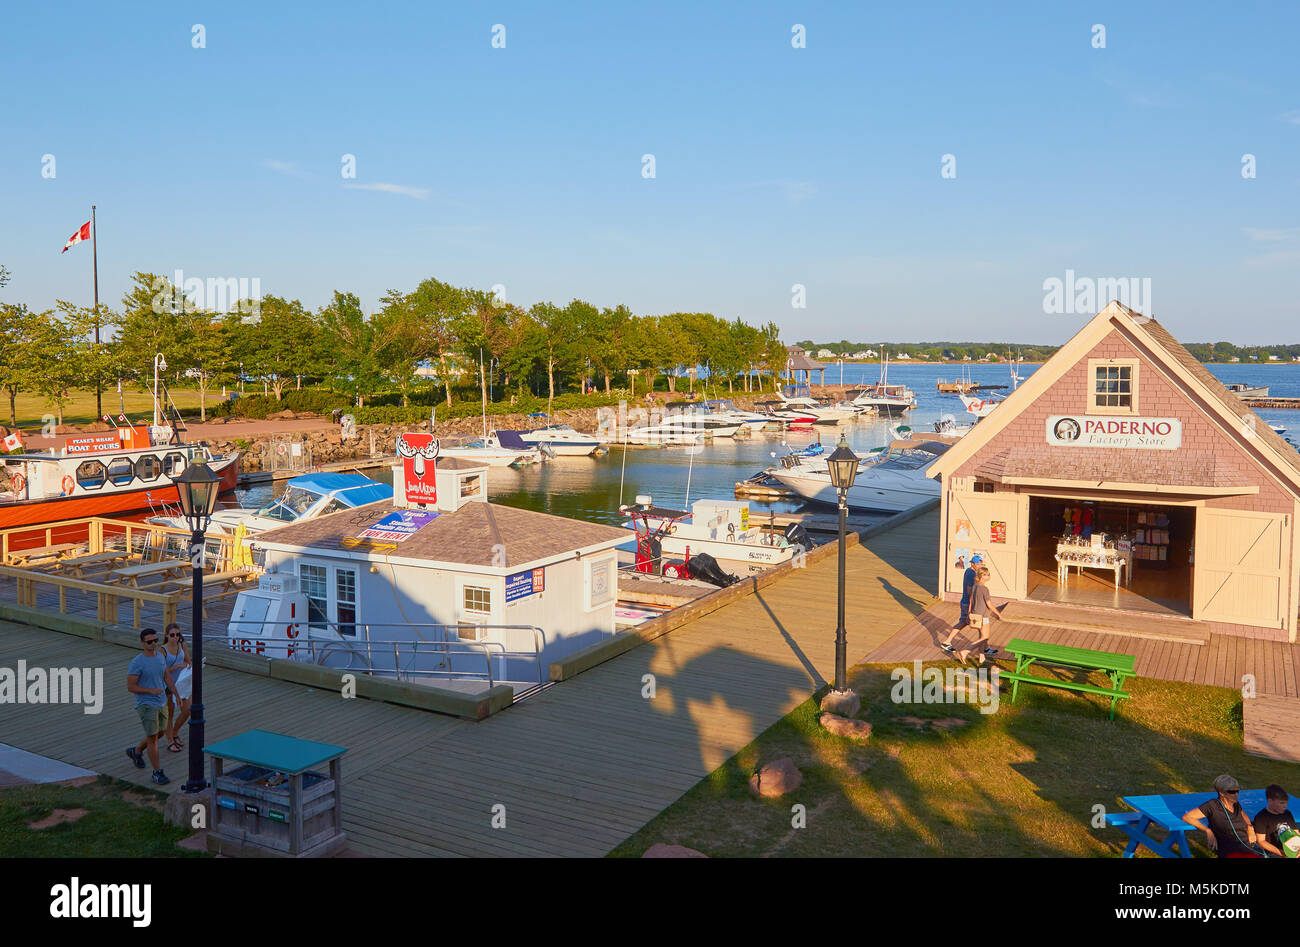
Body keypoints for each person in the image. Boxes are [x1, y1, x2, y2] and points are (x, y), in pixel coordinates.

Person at [125, 627, 175, 785]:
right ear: (142, 643)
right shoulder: (137, 663)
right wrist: (150, 690)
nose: (153, 644)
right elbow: (131, 687)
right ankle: (157, 772)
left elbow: (166, 676)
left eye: (155, 641)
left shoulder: (160, 657)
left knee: (160, 733)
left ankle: (137, 751)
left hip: (162, 702)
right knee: (153, 738)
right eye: (149, 642)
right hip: (146, 704)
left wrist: (177, 695)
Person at [1182, 774, 1265, 857]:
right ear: (1222, 793)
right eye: (1232, 792)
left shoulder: (1235, 804)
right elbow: (1187, 817)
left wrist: (1250, 828)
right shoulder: (1212, 806)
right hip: (1230, 847)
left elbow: (1243, 815)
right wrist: (1208, 831)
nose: (1236, 794)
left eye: (1237, 791)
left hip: (1246, 844)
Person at [957, 567, 1002, 666]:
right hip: (983, 617)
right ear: (982, 576)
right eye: (987, 574)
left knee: (981, 636)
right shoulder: (984, 589)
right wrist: (998, 614)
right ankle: (965, 651)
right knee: (985, 637)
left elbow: (971, 601)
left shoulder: (975, 586)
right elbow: (989, 604)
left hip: (975, 615)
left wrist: (969, 613)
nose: (989, 576)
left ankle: (982, 658)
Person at [940, 554, 984, 653]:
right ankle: (984, 647)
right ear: (972, 563)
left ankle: (947, 642)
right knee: (979, 624)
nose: (980, 566)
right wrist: (973, 605)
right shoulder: (971, 574)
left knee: (966, 623)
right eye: (978, 564)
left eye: (981, 564)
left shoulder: (969, 571)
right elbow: (970, 591)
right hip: (968, 604)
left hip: (966, 603)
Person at [160, 623, 192, 754]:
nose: (175, 637)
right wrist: (177, 667)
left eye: (177, 634)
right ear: (167, 635)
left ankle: (175, 732)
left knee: (187, 710)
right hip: (167, 685)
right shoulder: (162, 650)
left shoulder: (181, 645)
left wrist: (188, 666)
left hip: (181, 683)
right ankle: (170, 741)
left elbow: (188, 660)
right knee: (170, 714)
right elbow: (161, 671)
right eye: (172, 635)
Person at [1251, 784, 1297, 858]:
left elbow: (1296, 833)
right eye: (1281, 803)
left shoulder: (1287, 814)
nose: (1285, 806)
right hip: (1273, 852)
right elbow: (1261, 841)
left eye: (1286, 803)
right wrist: (1281, 853)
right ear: (1270, 801)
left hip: (1291, 849)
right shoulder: (1261, 817)